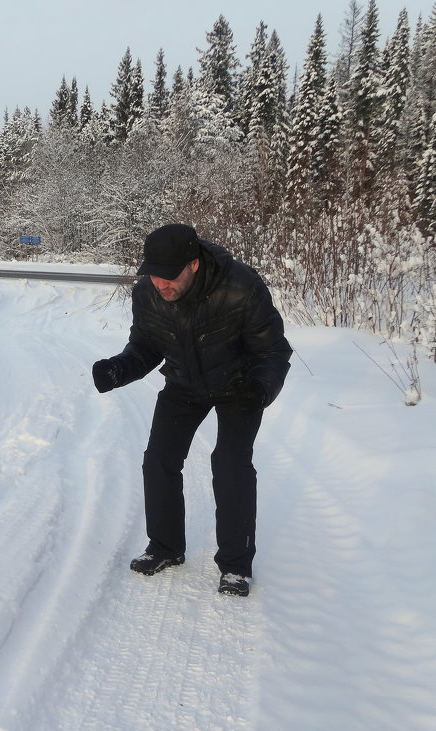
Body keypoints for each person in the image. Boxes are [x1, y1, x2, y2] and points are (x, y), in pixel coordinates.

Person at [92, 224, 291, 597]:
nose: (161, 285)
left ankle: (235, 566)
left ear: (194, 265)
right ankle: (165, 547)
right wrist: (120, 368)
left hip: (240, 387)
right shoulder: (147, 293)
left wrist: (260, 389)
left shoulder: (241, 287)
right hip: (184, 383)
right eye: (154, 276)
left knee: (230, 464)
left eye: (170, 277)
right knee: (159, 460)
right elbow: (146, 346)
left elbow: (272, 351)